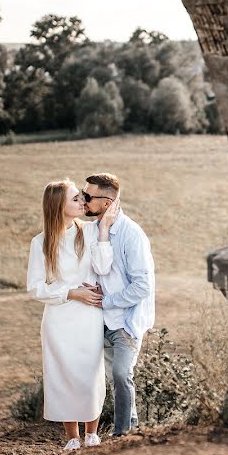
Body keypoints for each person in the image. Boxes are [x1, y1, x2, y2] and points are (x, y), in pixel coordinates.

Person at [26, 179, 119, 450]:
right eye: (76, 199)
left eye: (81, 197)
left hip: (89, 317)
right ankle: (72, 438)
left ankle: (92, 433)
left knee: (90, 373)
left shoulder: (90, 232)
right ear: (59, 206)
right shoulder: (40, 242)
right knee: (63, 374)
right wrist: (71, 292)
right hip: (58, 319)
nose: (83, 203)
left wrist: (102, 233)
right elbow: (36, 287)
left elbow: (103, 267)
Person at [82, 173, 155, 436]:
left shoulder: (131, 234)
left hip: (125, 320)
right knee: (105, 377)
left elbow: (143, 286)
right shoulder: (91, 230)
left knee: (122, 374)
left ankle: (122, 434)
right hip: (97, 319)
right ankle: (128, 425)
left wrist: (108, 301)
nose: (83, 199)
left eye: (89, 196)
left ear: (107, 201)